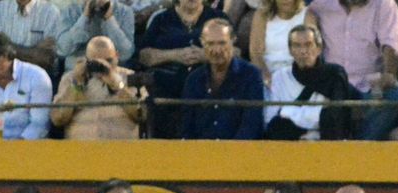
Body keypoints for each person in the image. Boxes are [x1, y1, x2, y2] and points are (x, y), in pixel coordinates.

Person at [311, 0, 398, 139]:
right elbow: (307, 16)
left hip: (370, 84)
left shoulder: (384, 4)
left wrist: (389, 74)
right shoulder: (322, 5)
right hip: (334, 84)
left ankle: (360, 146)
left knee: (395, 94)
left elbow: (390, 43)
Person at [138, 0, 228, 137]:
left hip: (208, 88)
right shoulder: (161, 19)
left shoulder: (219, 19)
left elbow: (236, 53)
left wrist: (207, 55)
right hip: (167, 91)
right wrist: (174, 55)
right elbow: (144, 56)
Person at [265, 23, 356, 140]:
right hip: (290, 144)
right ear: (290, 50)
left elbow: (335, 118)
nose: (303, 51)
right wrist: (319, 113)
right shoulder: (280, 77)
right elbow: (272, 118)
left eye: (308, 45)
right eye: (297, 46)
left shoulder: (334, 74)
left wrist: (286, 111)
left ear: (319, 48)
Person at [180, 18, 265, 139]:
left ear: (233, 41)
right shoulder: (194, 79)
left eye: (222, 43)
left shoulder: (251, 75)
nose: (216, 50)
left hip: (240, 153)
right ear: (202, 42)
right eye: (210, 43)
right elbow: (187, 128)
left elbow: (251, 125)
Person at [50, 36, 145, 140]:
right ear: (86, 60)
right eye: (96, 62)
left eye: (108, 60)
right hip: (80, 150)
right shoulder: (71, 78)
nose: (103, 65)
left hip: (121, 149)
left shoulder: (131, 77)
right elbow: (57, 119)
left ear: (117, 56)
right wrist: (76, 85)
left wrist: (118, 86)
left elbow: (142, 115)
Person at [249, 0, 318, 85]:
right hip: (268, 75)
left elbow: (311, 52)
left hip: (298, 75)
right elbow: (255, 53)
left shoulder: (307, 15)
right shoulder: (261, 15)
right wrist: (265, 76)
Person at [55, 0, 135, 73]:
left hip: (111, 74)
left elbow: (126, 54)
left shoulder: (125, 12)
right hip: (77, 73)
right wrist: (84, 18)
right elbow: (63, 49)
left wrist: (109, 20)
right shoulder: (70, 11)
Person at [0, 0, 63, 72]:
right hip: (3, 76)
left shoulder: (51, 13)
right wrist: (34, 53)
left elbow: (46, 59)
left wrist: (5, 48)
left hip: (38, 77)